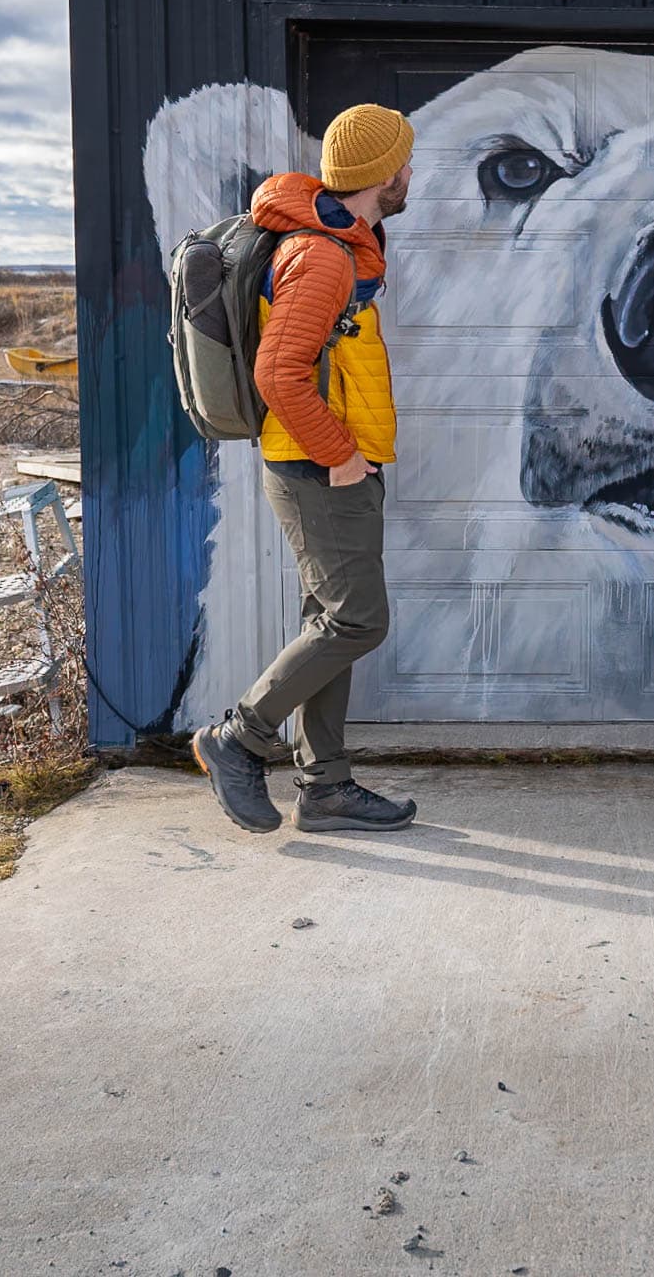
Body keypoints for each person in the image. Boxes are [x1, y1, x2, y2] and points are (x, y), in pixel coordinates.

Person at [193, 103, 418, 836]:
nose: (412, 174)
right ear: (380, 176)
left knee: (330, 620)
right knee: (357, 620)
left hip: (323, 465)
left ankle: (324, 787)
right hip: (318, 469)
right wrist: (343, 457)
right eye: (405, 164)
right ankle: (239, 739)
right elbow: (280, 374)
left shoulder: (340, 243)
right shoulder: (320, 255)